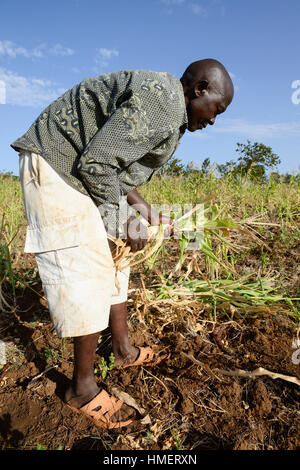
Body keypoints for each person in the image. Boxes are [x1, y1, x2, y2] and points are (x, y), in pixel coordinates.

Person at [11, 58, 234, 428]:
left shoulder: (171, 111)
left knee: (119, 255)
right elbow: (97, 163)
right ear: (200, 90)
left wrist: (145, 212)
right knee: (89, 267)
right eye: (217, 110)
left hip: (80, 167)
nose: (213, 120)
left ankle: (123, 350)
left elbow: (114, 163)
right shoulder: (163, 103)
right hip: (57, 165)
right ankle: (81, 389)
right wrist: (127, 220)